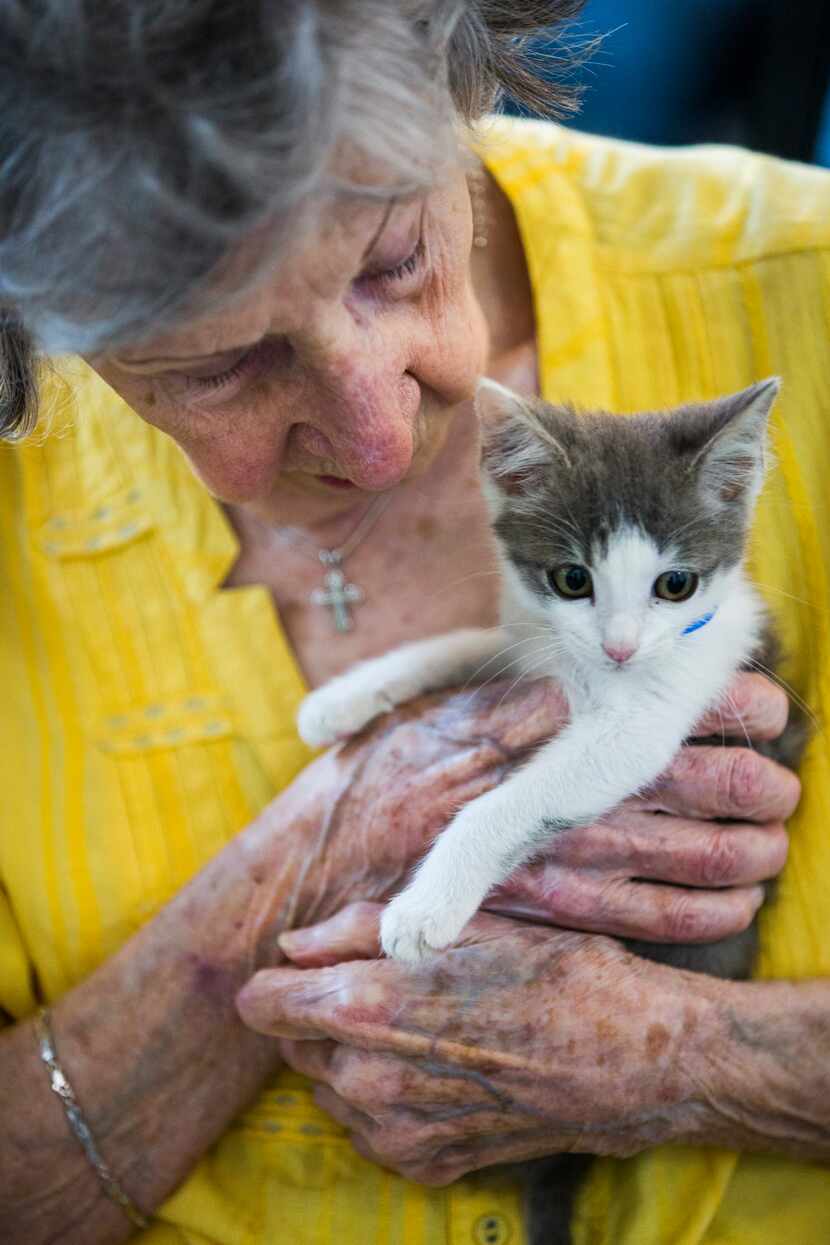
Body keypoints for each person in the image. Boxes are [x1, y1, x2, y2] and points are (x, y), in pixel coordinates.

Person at [0, 4, 826, 1244]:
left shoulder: (799, 295)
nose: (381, 435)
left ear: (456, 87)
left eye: (393, 258)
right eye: (222, 366)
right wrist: (311, 851)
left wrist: (689, 1058)